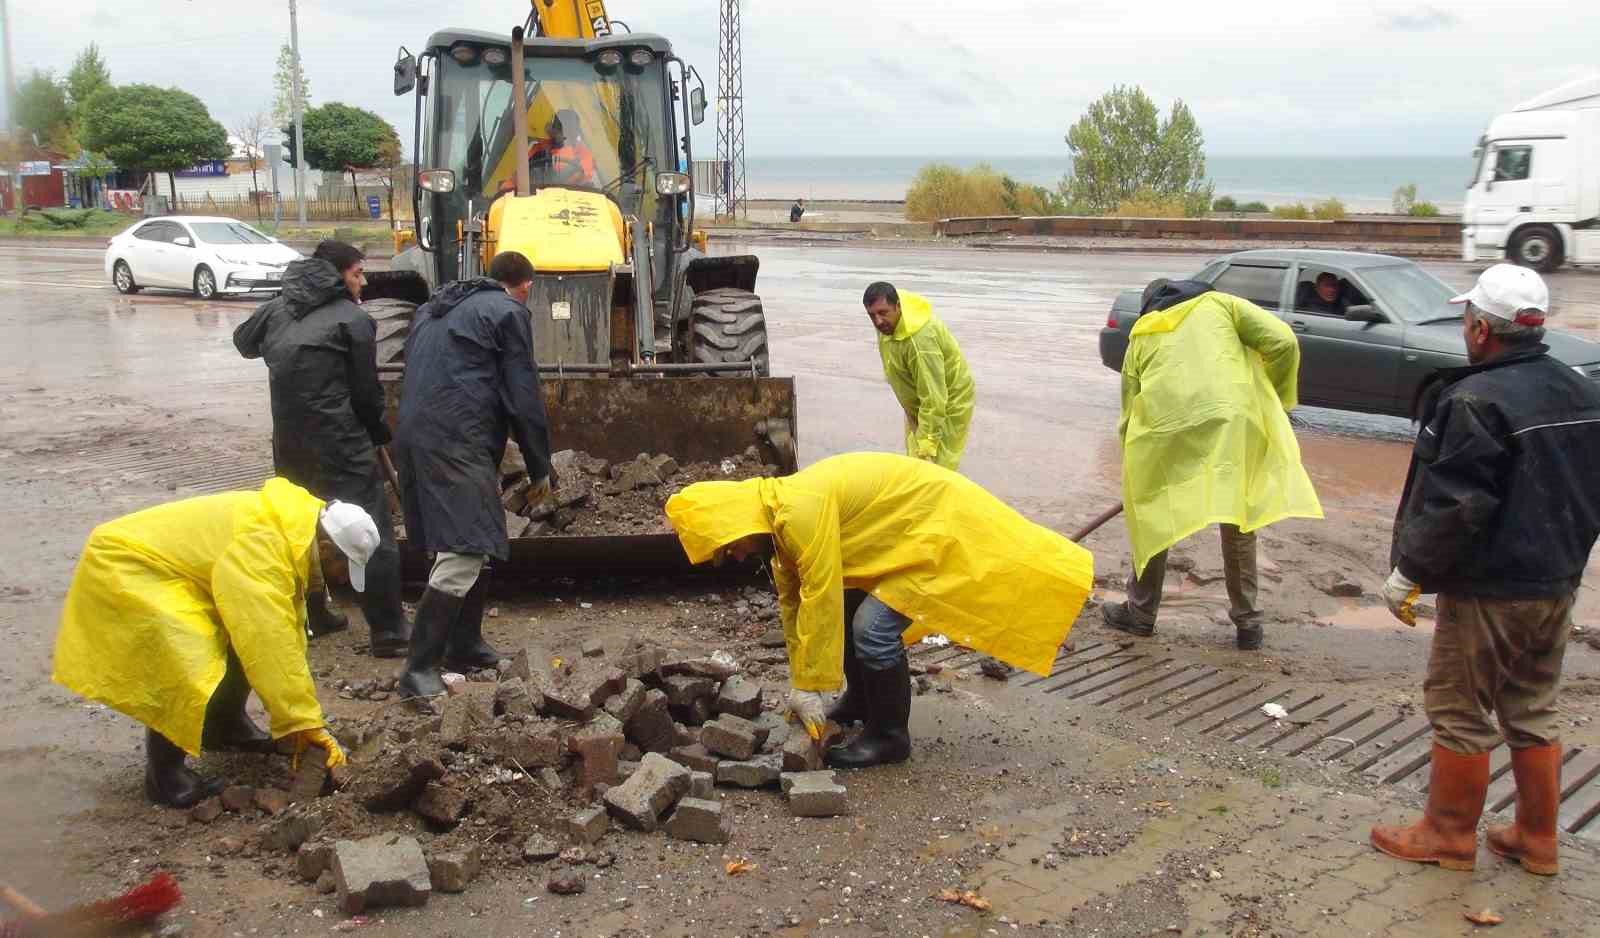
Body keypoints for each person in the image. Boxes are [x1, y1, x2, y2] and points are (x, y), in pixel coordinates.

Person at [1371, 264, 1600, 877]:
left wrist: (1409, 571)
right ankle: (1537, 838)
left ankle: (1446, 835)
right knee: (1531, 705)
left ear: (1479, 328)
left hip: (1490, 590)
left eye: (1467, 319)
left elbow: (1457, 504)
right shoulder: (1583, 389)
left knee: (1458, 707)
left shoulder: (1475, 399)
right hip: (1556, 583)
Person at [664, 452, 1093, 769]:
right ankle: (862, 700)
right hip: (898, 532)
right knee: (853, 604)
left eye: (730, 548)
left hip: (931, 525)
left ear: (736, 523)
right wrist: (803, 683)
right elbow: (795, 607)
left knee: (871, 628)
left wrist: (812, 685)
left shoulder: (797, 512)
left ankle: (890, 736)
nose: (737, 557)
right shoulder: (776, 525)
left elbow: (821, 595)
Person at [52, 479, 365, 807]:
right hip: (128, 564)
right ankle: (164, 776)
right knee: (187, 652)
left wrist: (296, 718)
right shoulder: (263, 546)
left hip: (169, 570)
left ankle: (224, 726)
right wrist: (303, 721)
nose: (343, 578)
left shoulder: (292, 534)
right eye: (343, 566)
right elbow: (267, 640)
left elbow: (284, 633)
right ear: (327, 548)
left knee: (236, 632)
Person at [1101, 279, 1322, 650]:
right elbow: (1283, 342)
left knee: (1154, 512)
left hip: (1165, 429)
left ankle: (1140, 615)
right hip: (1230, 422)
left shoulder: (1142, 333)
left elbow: (1129, 410)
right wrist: (1275, 397)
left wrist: (1135, 473)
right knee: (1238, 519)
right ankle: (1248, 623)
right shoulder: (1222, 304)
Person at [233, 240, 410, 658]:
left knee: (299, 532)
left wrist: (289, 355)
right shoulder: (353, 320)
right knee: (370, 532)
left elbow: (245, 342)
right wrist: (380, 434)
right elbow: (367, 396)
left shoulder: (279, 309)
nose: (363, 281)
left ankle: (313, 614)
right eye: (357, 273)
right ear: (336, 275)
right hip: (343, 446)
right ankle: (388, 632)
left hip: (291, 445)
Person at [393, 251, 554, 699]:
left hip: (415, 434)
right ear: (524, 285)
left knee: (466, 539)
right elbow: (523, 395)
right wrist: (540, 465)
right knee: (464, 546)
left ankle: (464, 645)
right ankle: (419, 670)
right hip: (456, 438)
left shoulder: (431, 310)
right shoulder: (508, 312)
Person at [862, 282, 976, 471]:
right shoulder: (888, 324)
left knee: (936, 466)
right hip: (918, 401)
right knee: (913, 460)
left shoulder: (920, 343)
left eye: (883, 313)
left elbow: (934, 397)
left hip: (948, 401)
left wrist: (927, 444)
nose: (878, 322)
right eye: (872, 315)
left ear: (898, 306)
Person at [527, 109, 596, 187]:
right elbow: (519, 174)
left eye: (567, 131)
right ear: (553, 129)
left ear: (575, 133)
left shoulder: (583, 154)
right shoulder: (538, 148)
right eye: (558, 128)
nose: (561, 134)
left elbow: (582, 178)